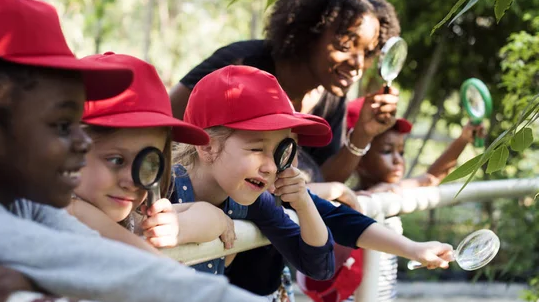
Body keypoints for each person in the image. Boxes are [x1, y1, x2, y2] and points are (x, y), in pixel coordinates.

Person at [0, 0, 372, 302]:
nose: (80, 141)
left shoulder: (21, 202)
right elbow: (98, 267)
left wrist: (28, 278)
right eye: (61, 125)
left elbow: (130, 268)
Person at [168, 0, 403, 296]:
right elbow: (163, 127)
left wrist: (362, 134)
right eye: (346, 44)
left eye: (368, 51)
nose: (358, 63)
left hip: (260, 267)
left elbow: (316, 178)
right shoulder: (239, 66)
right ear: (311, 30)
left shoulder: (331, 99)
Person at [173, 66, 454, 282]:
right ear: (208, 147)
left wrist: (304, 203)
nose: (271, 166)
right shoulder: (161, 187)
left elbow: (320, 263)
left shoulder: (254, 196)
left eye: (281, 151)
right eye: (257, 148)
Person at [309, 97, 484, 302]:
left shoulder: (392, 193)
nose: (398, 160)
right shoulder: (349, 200)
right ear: (359, 159)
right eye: (386, 151)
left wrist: (463, 139)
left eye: (401, 151)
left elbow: (430, 178)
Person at [69, 52, 236, 251]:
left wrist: (176, 229)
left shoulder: (129, 218)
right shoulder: (60, 210)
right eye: (116, 160)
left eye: (148, 163)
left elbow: (212, 216)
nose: (132, 181)